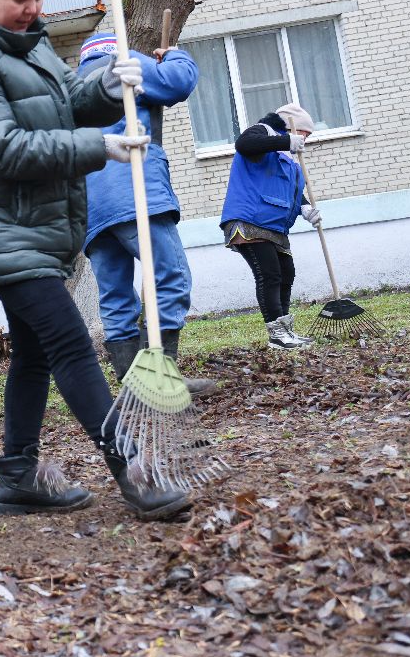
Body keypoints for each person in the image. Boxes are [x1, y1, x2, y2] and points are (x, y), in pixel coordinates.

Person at [0, 0, 191, 521]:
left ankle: (18, 476)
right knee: (69, 342)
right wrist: (100, 145)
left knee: (33, 353)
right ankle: (134, 471)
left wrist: (106, 86)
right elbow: (2, 146)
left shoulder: (27, 43)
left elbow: (66, 98)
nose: (33, 9)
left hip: (32, 226)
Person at [75, 33, 216, 397]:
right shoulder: (125, 64)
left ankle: (132, 382)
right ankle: (160, 376)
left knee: (115, 292)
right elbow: (178, 83)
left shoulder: (73, 86)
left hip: (90, 206)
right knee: (170, 276)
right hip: (135, 189)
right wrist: (175, 56)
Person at [220, 103, 319, 350]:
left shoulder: (289, 160)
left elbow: (292, 192)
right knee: (270, 274)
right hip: (249, 221)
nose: (305, 139)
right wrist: (285, 142)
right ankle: (276, 334)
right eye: (305, 133)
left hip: (273, 227)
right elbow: (244, 145)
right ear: (290, 127)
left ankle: (286, 331)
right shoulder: (263, 132)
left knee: (287, 273)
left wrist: (305, 208)